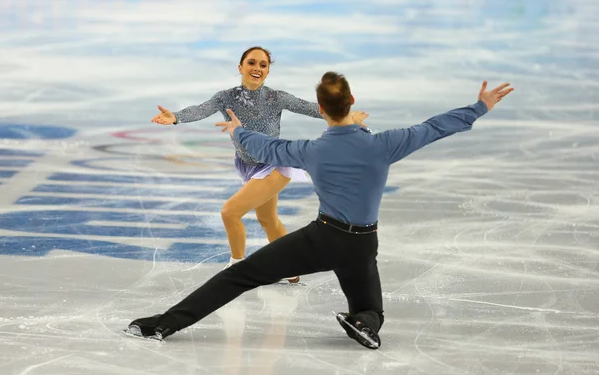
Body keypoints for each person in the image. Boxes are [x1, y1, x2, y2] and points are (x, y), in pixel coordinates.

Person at [127, 72, 513, 349]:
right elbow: (434, 127)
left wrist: (238, 131)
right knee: (369, 307)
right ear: (352, 104)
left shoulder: (312, 150)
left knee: (241, 276)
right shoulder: (385, 144)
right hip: (363, 243)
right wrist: (479, 106)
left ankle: (164, 325)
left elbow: (266, 149)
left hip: (322, 239)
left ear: (322, 111)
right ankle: (363, 323)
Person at [150, 46, 369, 282]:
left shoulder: (277, 98)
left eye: (263, 65)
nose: (257, 68)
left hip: (274, 165)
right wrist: (176, 117)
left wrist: (347, 116)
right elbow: (201, 109)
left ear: (267, 71)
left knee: (229, 212)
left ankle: (237, 267)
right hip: (247, 166)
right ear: (240, 67)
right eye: (252, 63)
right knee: (268, 220)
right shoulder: (225, 97)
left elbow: (316, 110)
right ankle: (292, 270)